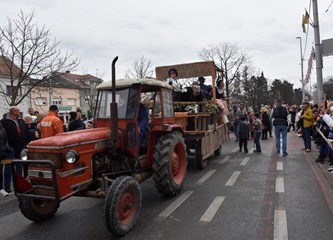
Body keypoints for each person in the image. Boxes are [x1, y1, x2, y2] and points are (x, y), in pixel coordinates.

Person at [0, 106, 26, 192]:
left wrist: (23, 144)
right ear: (14, 112)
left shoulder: (21, 121)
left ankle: (19, 185)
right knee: (8, 168)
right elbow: (3, 135)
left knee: (19, 167)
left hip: (20, 148)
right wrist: (6, 147)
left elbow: (24, 132)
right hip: (9, 148)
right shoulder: (4, 122)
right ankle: (7, 186)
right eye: (18, 110)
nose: (19, 111)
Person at [0, 123, 14, 197]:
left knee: (2, 171)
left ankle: (1, 189)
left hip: (3, 152)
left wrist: (7, 147)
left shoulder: (1, 126)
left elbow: (5, 139)